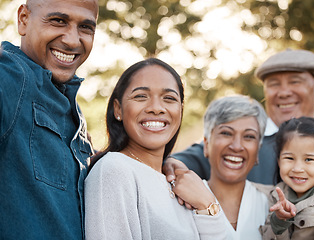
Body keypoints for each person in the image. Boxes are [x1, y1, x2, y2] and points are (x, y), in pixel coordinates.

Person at [166, 49, 314, 206]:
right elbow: (176, 162)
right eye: (274, 84)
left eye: (295, 82)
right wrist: (170, 163)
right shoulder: (244, 144)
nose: (284, 92)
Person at [85, 58, 227, 240]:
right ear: (118, 109)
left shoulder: (182, 181)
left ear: (180, 110)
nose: (156, 108)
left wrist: (207, 204)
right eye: (141, 96)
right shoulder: (114, 170)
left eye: (169, 98)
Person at [0, 0, 98, 239]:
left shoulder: (69, 105)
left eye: (86, 27)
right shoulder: (9, 76)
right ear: (24, 19)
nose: (73, 40)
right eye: (58, 21)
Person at [197, 95, 270, 239]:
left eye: (249, 136)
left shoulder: (274, 204)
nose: (236, 146)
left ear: (257, 151)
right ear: (206, 145)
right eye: (226, 133)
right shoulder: (182, 201)